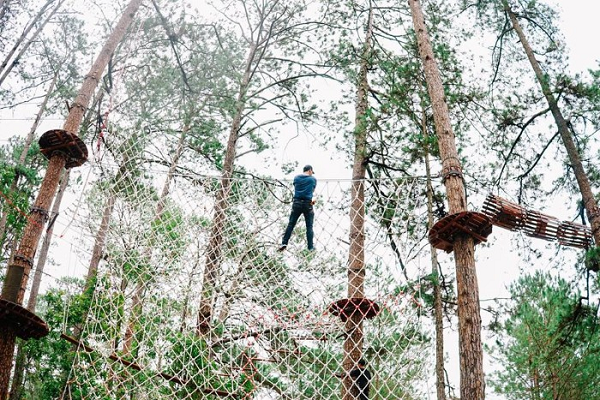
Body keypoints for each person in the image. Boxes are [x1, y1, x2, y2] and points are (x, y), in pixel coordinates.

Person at [278, 165, 316, 252]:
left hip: (297, 203)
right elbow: (312, 191)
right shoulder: (312, 179)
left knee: (291, 224)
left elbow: (297, 187)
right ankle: (310, 247)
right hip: (307, 204)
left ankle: (284, 242)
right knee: (309, 226)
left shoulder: (296, 178)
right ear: (310, 170)